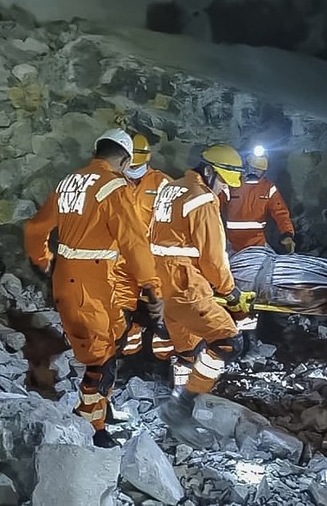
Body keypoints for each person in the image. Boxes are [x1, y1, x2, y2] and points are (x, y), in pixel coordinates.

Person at [24, 128, 159, 448]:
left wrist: (43, 259)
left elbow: (35, 228)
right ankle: (92, 427)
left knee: (108, 346)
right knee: (100, 356)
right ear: (125, 160)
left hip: (70, 277)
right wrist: (151, 286)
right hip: (94, 282)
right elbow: (133, 242)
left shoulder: (68, 182)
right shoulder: (115, 186)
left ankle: (101, 406)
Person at [150, 144, 255, 447]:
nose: (223, 190)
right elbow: (213, 257)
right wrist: (230, 292)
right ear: (208, 171)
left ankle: (180, 410)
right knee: (228, 342)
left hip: (162, 282)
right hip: (185, 283)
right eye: (222, 182)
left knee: (186, 351)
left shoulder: (170, 189)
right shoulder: (202, 198)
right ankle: (180, 405)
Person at [111, 133, 174, 358]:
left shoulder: (162, 183)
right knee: (124, 309)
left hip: (153, 260)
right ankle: (130, 357)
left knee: (159, 312)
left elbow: (172, 224)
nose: (133, 170)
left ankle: (162, 358)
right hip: (121, 261)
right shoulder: (114, 183)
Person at [220, 149, 295, 254]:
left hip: (257, 242)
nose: (254, 171)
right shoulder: (231, 185)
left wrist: (287, 234)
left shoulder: (268, 188)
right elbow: (215, 209)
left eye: (258, 169)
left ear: (264, 172)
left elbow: (281, 213)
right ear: (246, 166)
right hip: (231, 243)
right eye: (252, 167)